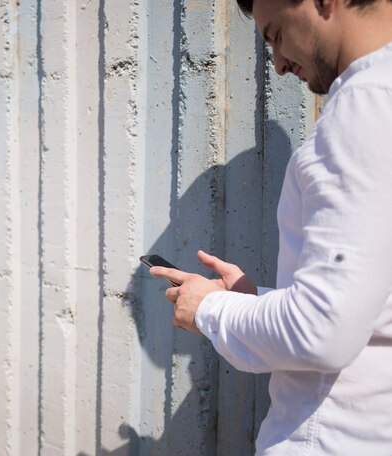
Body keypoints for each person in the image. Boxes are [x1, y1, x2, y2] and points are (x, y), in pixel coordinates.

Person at [150, 0, 392, 453]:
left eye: (276, 34)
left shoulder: (361, 110)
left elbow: (322, 331)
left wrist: (209, 309)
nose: (278, 64)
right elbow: (367, 310)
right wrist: (255, 299)